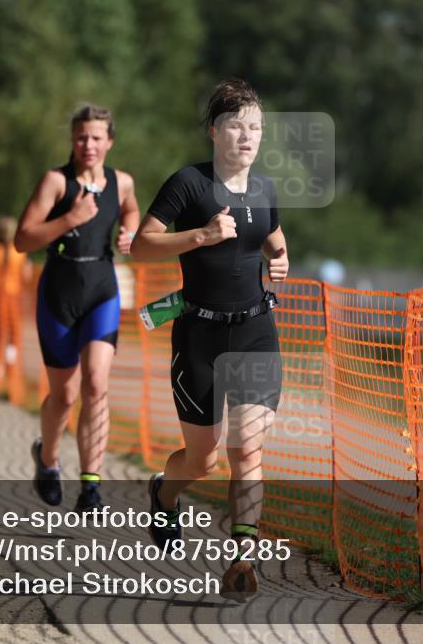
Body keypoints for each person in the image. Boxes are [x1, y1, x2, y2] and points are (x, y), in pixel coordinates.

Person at [130, 78, 289, 603]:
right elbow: (141, 245)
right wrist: (199, 236)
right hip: (198, 333)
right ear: (215, 131)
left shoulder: (265, 189)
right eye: (238, 125)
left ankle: (242, 557)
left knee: (247, 449)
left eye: (257, 127)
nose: (249, 136)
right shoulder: (189, 184)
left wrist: (280, 256)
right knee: (204, 460)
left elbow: (269, 233)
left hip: (254, 330)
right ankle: (164, 493)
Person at [15, 104, 140, 513]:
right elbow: (23, 240)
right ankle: (48, 461)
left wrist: (131, 229)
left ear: (109, 142)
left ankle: (91, 484)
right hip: (59, 292)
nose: (89, 144)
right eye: (82, 137)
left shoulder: (121, 182)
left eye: (97, 137)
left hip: (102, 288)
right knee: (65, 395)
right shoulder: (56, 181)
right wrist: (70, 218)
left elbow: (132, 208)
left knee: (96, 385)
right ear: (73, 140)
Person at [0, 217, 31, 392]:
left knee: (4, 333)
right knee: (10, 333)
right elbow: (25, 275)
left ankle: (1, 369)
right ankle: (5, 368)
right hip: (6, 295)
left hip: (0, 295)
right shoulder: (16, 251)